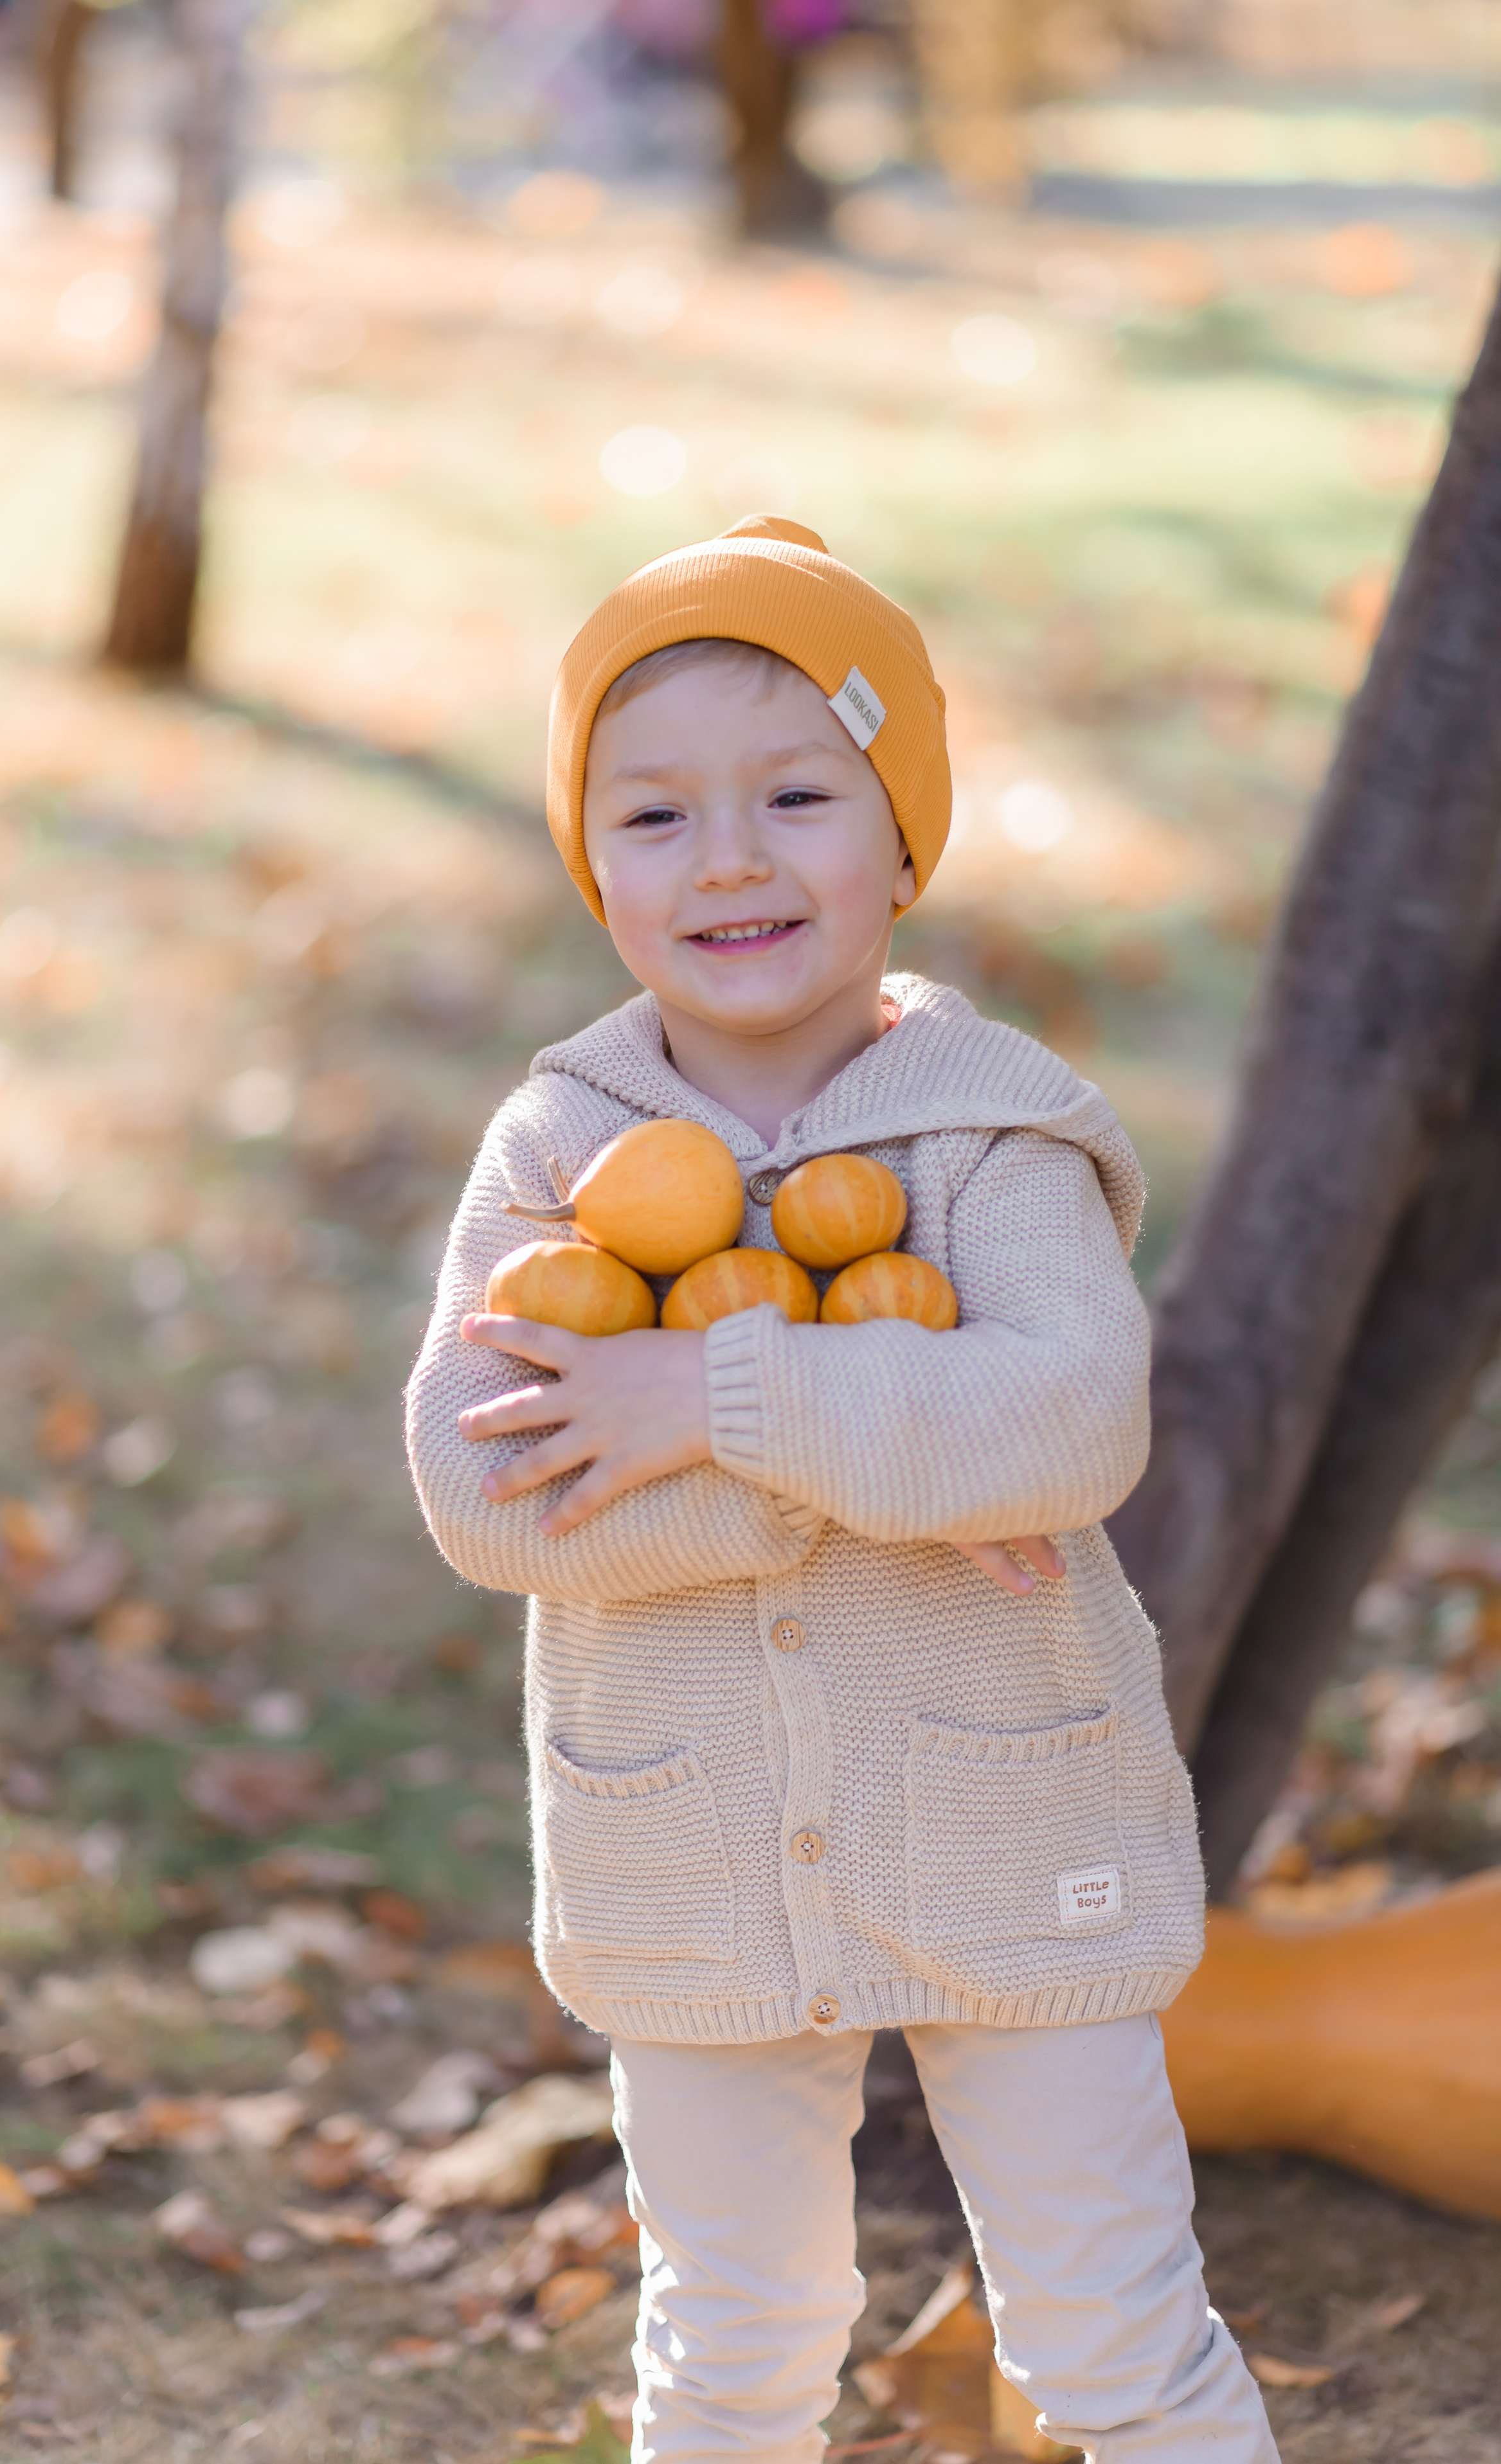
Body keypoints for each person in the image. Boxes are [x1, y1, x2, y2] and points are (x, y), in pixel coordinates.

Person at [405, 516, 1277, 2464]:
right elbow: (488, 1499)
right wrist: (887, 1447)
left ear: (902, 843)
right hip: (693, 1854)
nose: (728, 854)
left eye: (798, 794)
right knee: (731, 2343)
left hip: (1008, 1817)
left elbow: (1068, 1427)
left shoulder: (994, 1135)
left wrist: (708, 1398)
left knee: (1114, 2331)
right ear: (595, 867)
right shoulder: (558, 1153)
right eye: (655, 814)